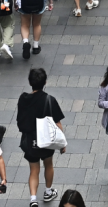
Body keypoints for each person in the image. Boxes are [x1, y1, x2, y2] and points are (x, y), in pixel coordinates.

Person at [17, 68, 66, 207]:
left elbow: (20, 120)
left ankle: (33, 199)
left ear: (30, 82)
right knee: (48, 164)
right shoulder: (49, 100)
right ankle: (48, 191)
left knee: (34, 169)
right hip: (47, 141)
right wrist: (62, 144)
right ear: (45, 82)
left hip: (29, 140)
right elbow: (58, 124)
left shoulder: (23, 99)